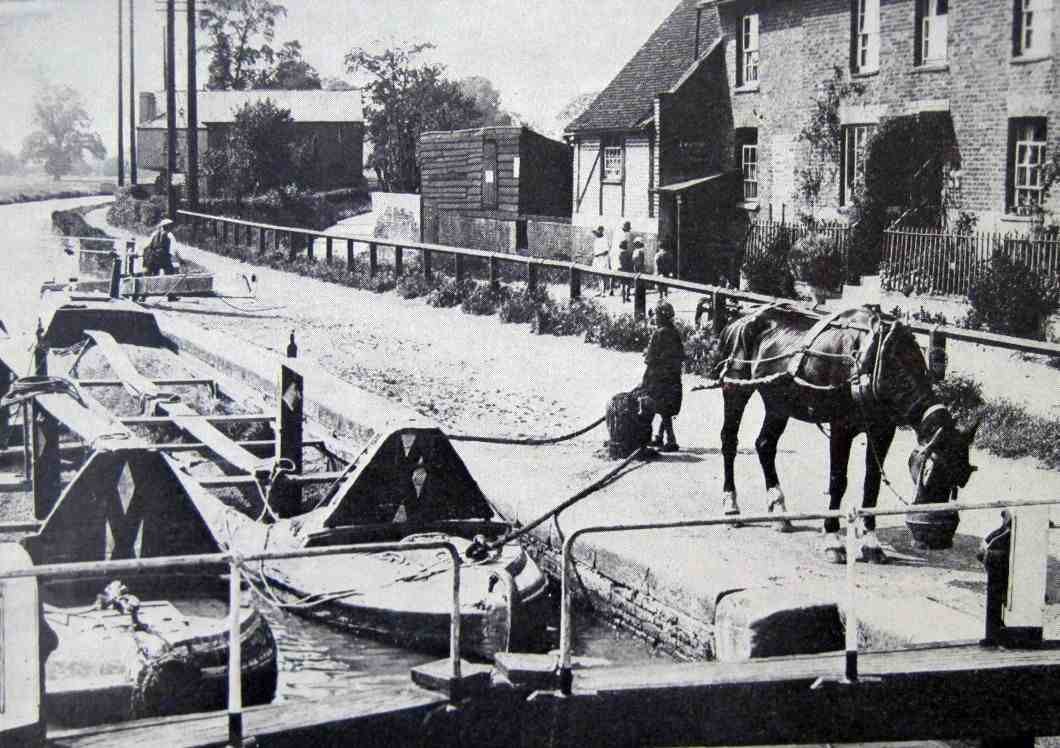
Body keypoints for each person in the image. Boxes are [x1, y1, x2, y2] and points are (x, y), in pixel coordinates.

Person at [642, 300, 685, 451]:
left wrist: (646, 376)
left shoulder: (658, 334)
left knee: (661, 409)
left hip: (659, 377)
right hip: (673, 377)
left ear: (660, 317)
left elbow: (650, 358)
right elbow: (680, 356)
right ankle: (660, 437)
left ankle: (671, 440)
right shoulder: (675, 333)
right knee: (666, 408)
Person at [142, 218, 180, 301]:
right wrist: (180, 259)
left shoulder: (154, 234)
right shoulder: (169, 235)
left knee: (149, 275)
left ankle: (143, 295)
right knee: (170, 274)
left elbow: (147, 246)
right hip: (163, 257)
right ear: (168, 227)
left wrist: (145, 257)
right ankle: (170, 295)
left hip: (153, 257)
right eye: (170, 226)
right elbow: (175, 249)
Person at [609, 220, 631, 296]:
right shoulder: (623, 235)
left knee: (613, 273)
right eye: (628, 228)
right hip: (619, 255)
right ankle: (622, 291)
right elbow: (624, 245)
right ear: (625, 227)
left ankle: (611, 290)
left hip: (614, 254)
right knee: (623, 273)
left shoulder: (617, 232)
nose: (629, 229)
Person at [591, 225, 611, 296]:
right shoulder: (596, 239)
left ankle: (603, 292)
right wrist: (594, 254)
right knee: (598, 275)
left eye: (596, 232)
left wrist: (598, 254)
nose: (595, 234)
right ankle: (600, 290)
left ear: (601, 231)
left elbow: (606, 251)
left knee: (603, 275)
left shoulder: (605, 239)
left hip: (603, 259)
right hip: (597, 259)